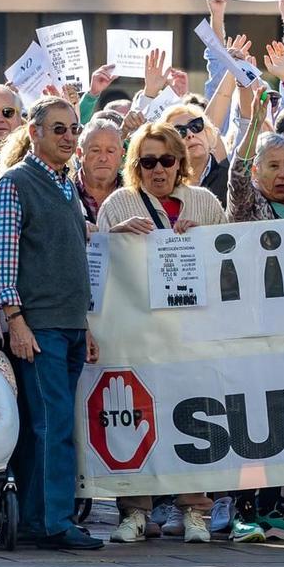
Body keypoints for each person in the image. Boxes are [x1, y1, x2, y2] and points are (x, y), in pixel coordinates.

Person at [98, 122, 227, 544]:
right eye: (148, 161)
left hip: (189, 333)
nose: (158, 169)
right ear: (136, 166)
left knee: (191, 417)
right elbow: (95, 266)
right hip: (136, 333)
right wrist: (113, 237)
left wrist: (205, 238)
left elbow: (228, 261)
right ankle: (135, 511)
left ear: (180, 163)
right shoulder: (120, 203)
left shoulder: (204, 202)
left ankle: (194, 510)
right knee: (135, 418)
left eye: (167, 160)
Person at [0, 95, 104, 551]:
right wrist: (15, 319)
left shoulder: (67, 185)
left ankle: (39, 518)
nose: (69, 138)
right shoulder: (17, 182)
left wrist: (86, 324)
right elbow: (1, 256)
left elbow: (73, 261)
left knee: (51, 424)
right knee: (51, 424)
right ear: (33, 132)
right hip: (38, 325)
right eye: (59, 129)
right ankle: (54, 521)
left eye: (74, 129)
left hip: (69, 323)